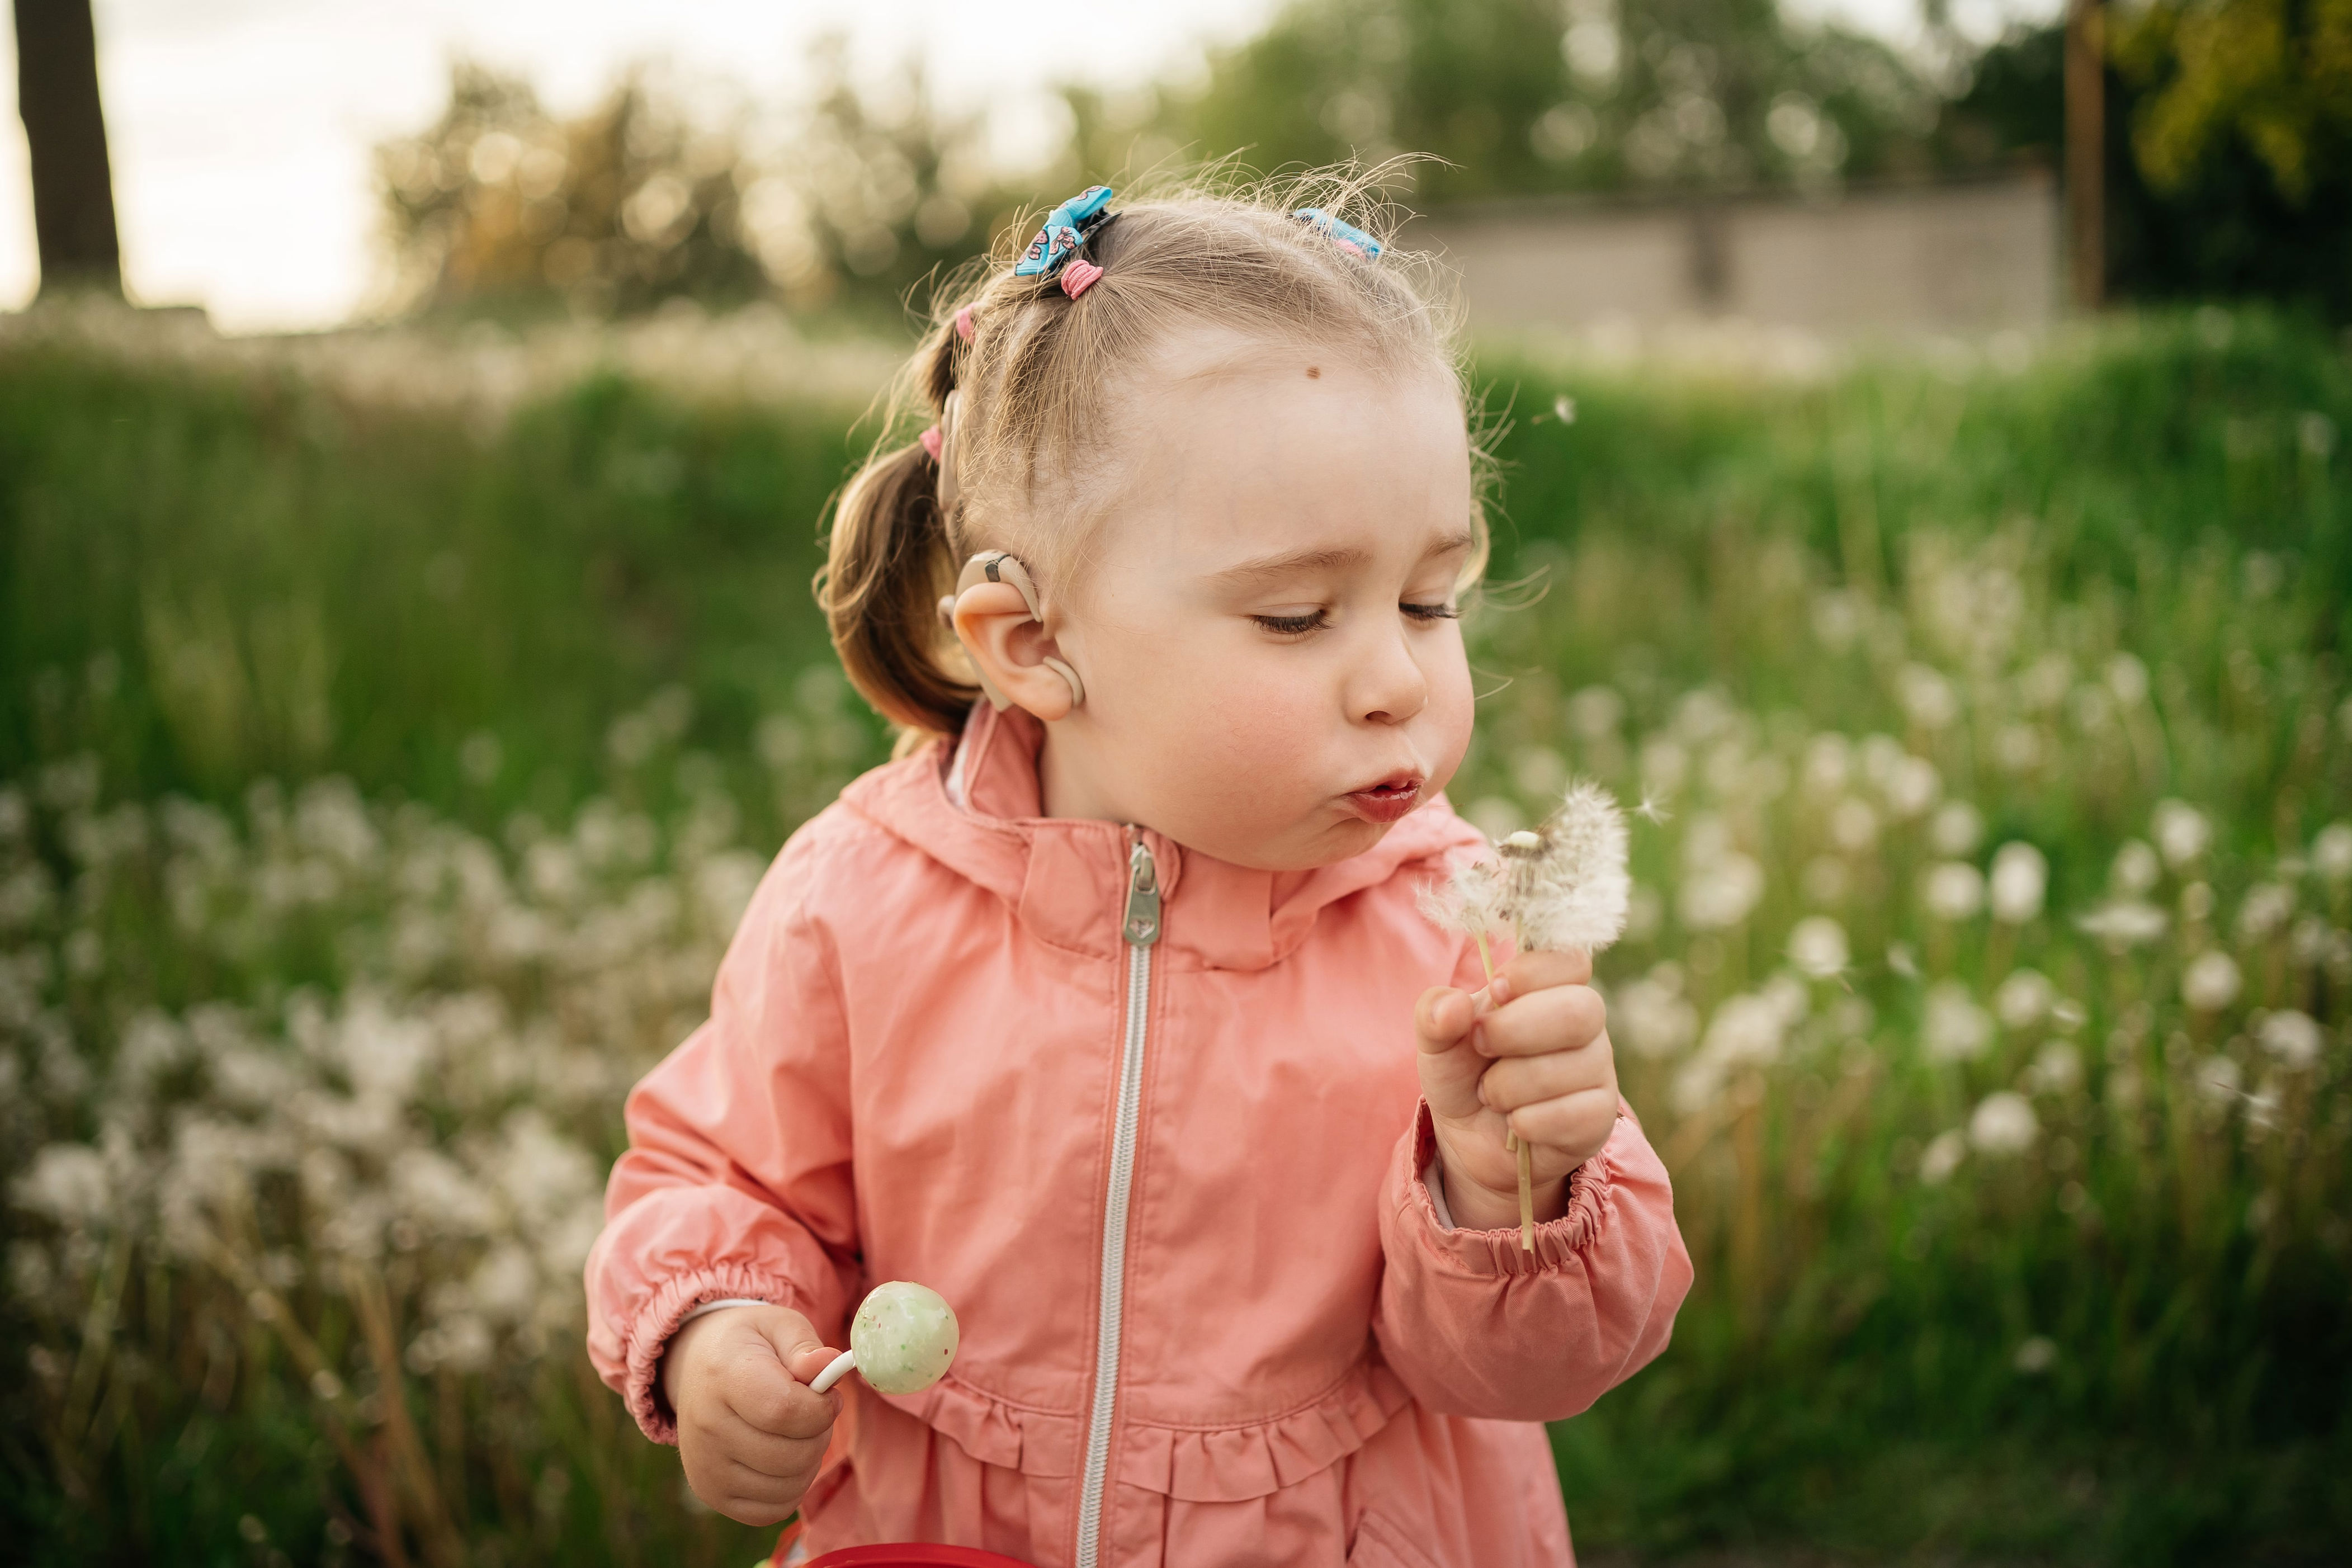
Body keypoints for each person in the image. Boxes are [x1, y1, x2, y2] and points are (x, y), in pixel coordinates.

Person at [585, 174, 1692, 1568]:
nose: (1401, 677)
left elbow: (1533, 1377)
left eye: (1431, 598)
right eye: (1297, 614)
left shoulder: (1464, 937)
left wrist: (1503, 1190)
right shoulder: (857, 898)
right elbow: (722, 1176)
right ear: (1034, 643)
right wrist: (713, 1324)